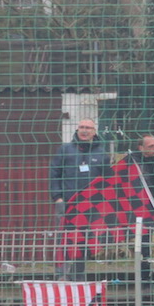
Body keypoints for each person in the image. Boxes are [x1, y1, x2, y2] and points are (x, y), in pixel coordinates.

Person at [49, 119, 109, 279]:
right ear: (77, 130)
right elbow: (54, 174)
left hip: (90, 208)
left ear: (94, 132)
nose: (84, 130)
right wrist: (58, 198)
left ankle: (77, 276)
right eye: (82, 127)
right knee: (64, 240)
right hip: (67, 204)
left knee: (82, 241)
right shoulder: (65, 150)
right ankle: (61, 275)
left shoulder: (102, 153)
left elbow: (107, 180)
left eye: (88, 128)